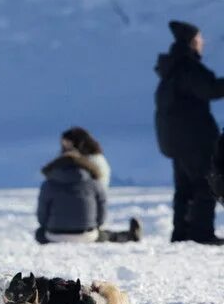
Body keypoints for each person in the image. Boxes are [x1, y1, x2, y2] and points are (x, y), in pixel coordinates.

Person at [155, 20, 224, 244]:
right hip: (195, 140)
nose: (203, 42)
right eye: (200, 38)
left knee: (184, 188)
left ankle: (182, 233)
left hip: (176, 142)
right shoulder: (188, 67)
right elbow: (211, 89)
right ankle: (201, 234)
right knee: (205, 185)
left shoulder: (172, 70)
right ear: (193, 41)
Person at [36, 129, 141, 244]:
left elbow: (42, 216)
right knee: (106, 235)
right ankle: (129, 236)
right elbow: (101, 209)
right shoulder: (94, 180)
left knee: (39, 233)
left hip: (54, 235)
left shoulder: (48, 184)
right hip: (87, 234)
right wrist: (93, 225)